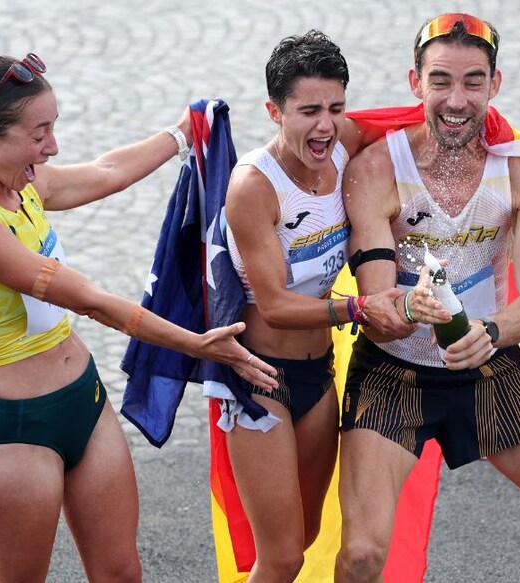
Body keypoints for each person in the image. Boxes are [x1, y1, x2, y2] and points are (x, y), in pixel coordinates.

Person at [0, 53, 278, 582]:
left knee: (122, 574)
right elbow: (89, 300)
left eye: (54, 127)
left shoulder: (24, 186)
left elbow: (106, 171)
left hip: (86, 405)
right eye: (39, 132)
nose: (53, 147)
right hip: (22, 431)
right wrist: (196, 344)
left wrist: (181, 134)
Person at [335, 14, 520, 582]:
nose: (456, 99)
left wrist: (488, 333)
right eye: (440, 81)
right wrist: (402, 308)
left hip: (489, 368)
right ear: (415, 83)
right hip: (394, 377)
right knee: (362, 556)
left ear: (495, 83)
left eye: (472, 81)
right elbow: (375, 312)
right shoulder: (375, 170)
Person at [213, 31, 404, 582]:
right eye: (309, 111)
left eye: (336, 108)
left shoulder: (344, 141)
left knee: (308, 535)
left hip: (318, 376)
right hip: (258, 380)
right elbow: (272, 305)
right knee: (281, 557)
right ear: (274, 111)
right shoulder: (254, 187)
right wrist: (361, 308)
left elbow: (413, 126)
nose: (326, 125)